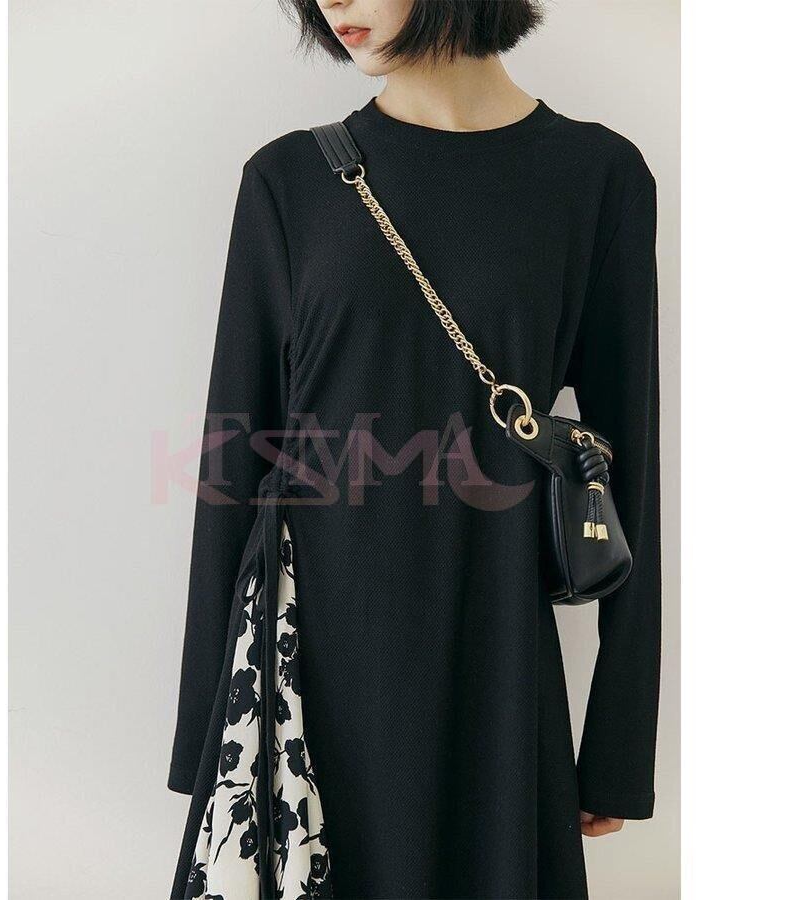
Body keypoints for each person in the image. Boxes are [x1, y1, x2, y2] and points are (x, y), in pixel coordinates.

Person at [169, 1, 661, 897]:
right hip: (310, 657)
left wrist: (619, 748)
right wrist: (208, 727)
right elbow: (232, 459)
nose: (332, 1)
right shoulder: (289, 179)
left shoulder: (598, 176)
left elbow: (627, 467)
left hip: (494, 644)